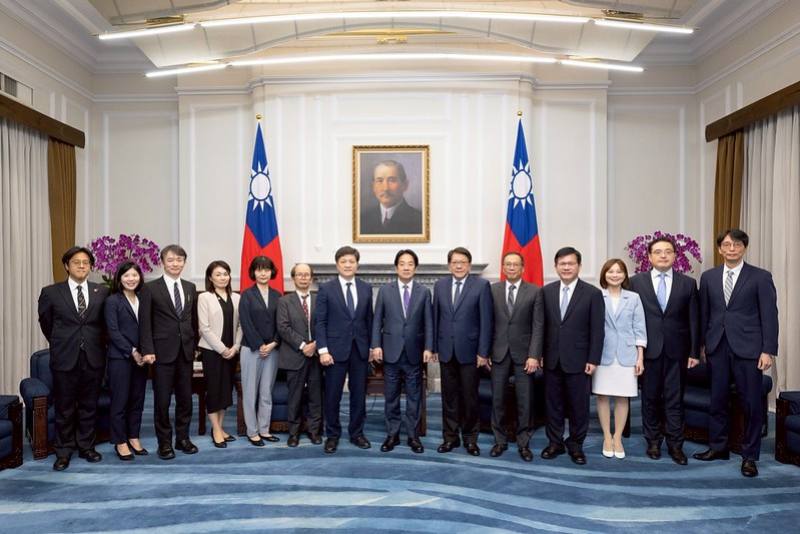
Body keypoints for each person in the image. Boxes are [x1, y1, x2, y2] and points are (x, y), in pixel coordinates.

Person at [693, 229, 779, 477]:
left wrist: (768, 350)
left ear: (744, 248)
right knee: (717, 399)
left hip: (749, 349)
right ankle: (718, 447)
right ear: (720, 249)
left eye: (737, 244)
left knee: (751, 403)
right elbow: (704, 314)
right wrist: (702, 346)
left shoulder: (760, 277)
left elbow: (770, 317)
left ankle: (749, 456)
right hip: (717, 347)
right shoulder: (708, 277)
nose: (732, 249)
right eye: (727, 245)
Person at [629, 236, 699, 465]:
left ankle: (676, 445)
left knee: (674, 399)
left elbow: (693, 321)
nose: (663, 255)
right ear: (649, 256)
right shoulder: (635, 282)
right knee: (649, 399)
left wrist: (694, 352)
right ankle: (653, 441)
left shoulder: (687, 283)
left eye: (668, 251)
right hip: (648, 351)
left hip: (677, 351)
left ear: (675, 256)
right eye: (658, 252)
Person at [38, 246, 109, 471]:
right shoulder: (51, 292)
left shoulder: (102, 292)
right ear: (67, 265)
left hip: (93, 358)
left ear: (91, 267)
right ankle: (63, 451)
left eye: (86, 262)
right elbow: (46, 324)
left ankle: (86, 446)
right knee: (65, 407)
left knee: (89, 405)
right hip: (65, 358)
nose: (81, 266)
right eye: (76, 262)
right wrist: (63, 343)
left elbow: (104, 326)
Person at [539, 246, 604, 465]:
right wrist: (539, 354)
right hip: (551, 359)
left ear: (579, 266)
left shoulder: (592, 293)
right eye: (562, 264)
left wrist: (593, 359)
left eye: (571, 263)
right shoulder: (546, 292)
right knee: (553, 404)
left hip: (579, 360)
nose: (566, 267)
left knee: (579, 406)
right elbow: (541, 326)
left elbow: (597, 330)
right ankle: (555, 442)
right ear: (556, 266)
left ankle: (576, 445)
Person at [139, 244, 199, 460]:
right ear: (163, 262)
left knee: (185, 399)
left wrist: (193, 347)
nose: (175, 264)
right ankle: (164, 443)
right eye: (171, 260)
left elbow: (192, 321)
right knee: (162, 401)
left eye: (180, 260)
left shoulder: (191, 288)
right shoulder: (150, 288)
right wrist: (148, 349)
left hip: (185, 353)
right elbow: (145, 323)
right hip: (161, 354)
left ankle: (182, 438)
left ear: (184, 262)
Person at [371, 249, 434, 454]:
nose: (406, 267)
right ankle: (393, 435)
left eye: (410, 264)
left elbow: (429, 323)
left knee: (414, 397)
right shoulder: (385, 291)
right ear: (396, 267)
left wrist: (428, 347)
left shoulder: (424, 292)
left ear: (415, 268)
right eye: (402, 263)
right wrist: (376, 345)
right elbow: (377, 320)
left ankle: (413, 437)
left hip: (414, 353)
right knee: (391, 397)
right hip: (390, 352)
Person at [432, 247, 493, 456]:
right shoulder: (439, 286)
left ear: (469, 265)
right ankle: (450, 438)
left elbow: (486, 322)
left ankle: (470, 439)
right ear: (449, 265)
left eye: (463, 262)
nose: (459, 265)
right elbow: (435, 318)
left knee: (470, 398)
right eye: (455, 262)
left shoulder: (482, 286)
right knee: (448, 398)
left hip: (471, 352)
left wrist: (483, 352)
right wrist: (434, 347)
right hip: (446, 351)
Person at [316, 245, 373, 453]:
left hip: (360, 351)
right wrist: (323, 350)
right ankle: (332, 435)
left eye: (351, 261)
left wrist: (372, 347)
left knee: (359, 395)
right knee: (333, 395)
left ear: (357, 264)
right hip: (333, 351)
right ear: (337, 264)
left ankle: (357, 433)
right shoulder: (326, 288)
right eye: (343, 262)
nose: (348, 265)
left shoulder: (366, 288)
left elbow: (370, 320)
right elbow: (320, 322)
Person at [488, 251, 543, 462]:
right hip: (498, 352)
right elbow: (488, 323)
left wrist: (534, 355)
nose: (511, 268)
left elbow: (538, 326)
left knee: (525, 401)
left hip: (524, 355)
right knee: (498, 400)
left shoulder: (535, 291)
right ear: (503, 268)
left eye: (515, 265)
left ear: (522, 268)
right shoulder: (492, 290)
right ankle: (499, 441)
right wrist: (486, 352)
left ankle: (523, 443)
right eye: (507, 264)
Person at [592, 259, 646, 460]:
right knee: (603, 396)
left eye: (619, 271)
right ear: (604, 275)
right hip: (603, 354)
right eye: (610, 271)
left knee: (623, 397)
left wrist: (640, 356)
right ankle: (607, 436)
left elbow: (640, 328)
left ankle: (617, 438)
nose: (615, 275)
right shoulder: (597, 296)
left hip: (627, 354)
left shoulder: (634, 298)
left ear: (625, 275)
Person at [105, 261, 152, 461]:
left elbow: (148, 328)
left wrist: (145, 352)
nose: (131, 279)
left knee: (137, 400)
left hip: (141, 358)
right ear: (119, 278)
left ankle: (134, 437)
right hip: (120, 358)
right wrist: (132, 351)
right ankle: (120, 441)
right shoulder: (113, 301)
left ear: (139, 277)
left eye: (134, 275)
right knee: (120, 400)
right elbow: (112, 332)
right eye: (126, 276)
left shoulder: (143, 298)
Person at [277, 263, 323, 447]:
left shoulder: (320, 299)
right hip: (294, 355)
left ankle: (314, 431)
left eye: (307, 275)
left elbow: (325, 324)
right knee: (294, 397)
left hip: (317, 356)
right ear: (293, 278)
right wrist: (304, 345)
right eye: (299, 275)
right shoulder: (284, 301)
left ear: (311, 278)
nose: (303, 278)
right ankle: (294, 433)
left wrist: (316, 344)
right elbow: (283, 327)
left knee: (315, 396)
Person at [197, 260, 242, 448]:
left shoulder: (238, 297)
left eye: (225, 273)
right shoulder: (205, 297)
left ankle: (221, 427)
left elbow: (241, 325)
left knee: (225, 391)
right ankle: (215, 429)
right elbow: (204, 328)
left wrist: (236, 347)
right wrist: (223, 349)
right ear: (210, 278)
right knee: (214, 390)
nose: (223, 277)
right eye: (218, 274)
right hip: (212, 352)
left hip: (232, 352)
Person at [238, 256, 282, 447]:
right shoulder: (246, 295)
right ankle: (252, 431)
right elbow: (245, 323)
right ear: (253, 272)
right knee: (250, 392)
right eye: (259, 269)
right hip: (251, 349)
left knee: (266, 392)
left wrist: (273, 343)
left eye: (266, 269)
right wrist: (259, 345)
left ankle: (264, 430)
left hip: (272, 350)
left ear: (272, 272)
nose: (263, 273)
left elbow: (281, 323)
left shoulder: (278, 296)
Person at [360, 160, 423, 235]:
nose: (385, 188)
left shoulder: (419, 220)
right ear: (373, 186)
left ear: (405, 185)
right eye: (380, 181)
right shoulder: (363, 219)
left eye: (392, 180)